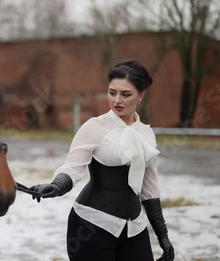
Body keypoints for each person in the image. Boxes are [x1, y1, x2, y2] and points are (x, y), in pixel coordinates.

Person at [30, 60, 175, 261]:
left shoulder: (146, 134)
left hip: (135, 228)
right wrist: (57, 185)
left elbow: (149, 189)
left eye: (126, 94)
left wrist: (163, 235)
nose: (117, 100)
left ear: (141, 96)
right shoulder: (94, 127)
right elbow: (73, 167)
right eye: (112, 92)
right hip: (91, 226)